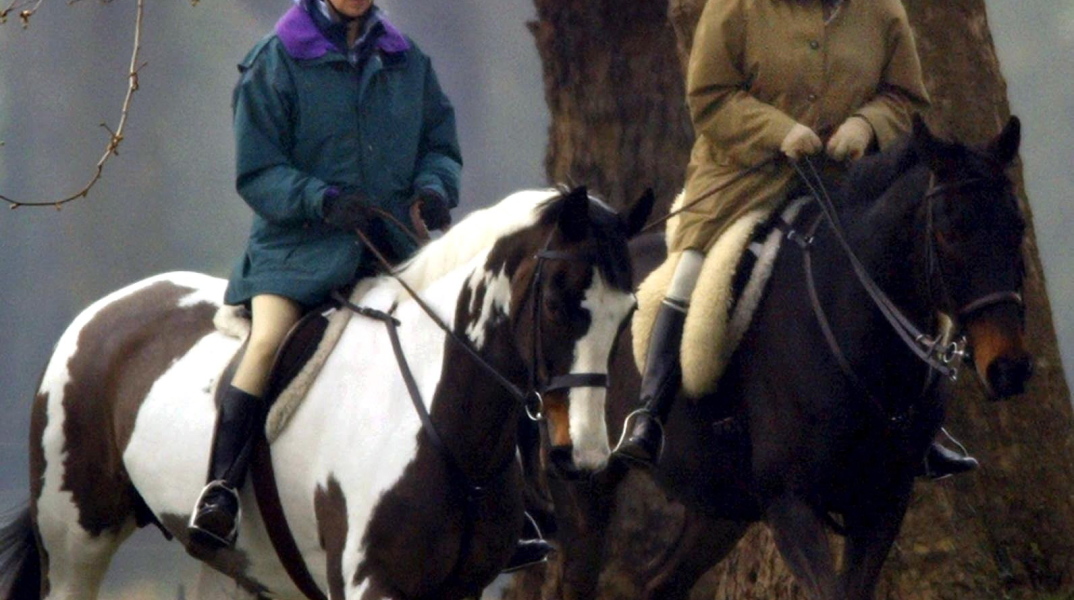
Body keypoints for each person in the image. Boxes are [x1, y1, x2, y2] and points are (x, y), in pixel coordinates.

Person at [188, 0, 549, 570]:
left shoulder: (408, 60)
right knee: (264, 345)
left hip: (390, 250)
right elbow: (257, 172)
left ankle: (522, 508)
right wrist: (321, 200)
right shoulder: (274, 61)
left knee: (482, 342)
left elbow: (440, 145)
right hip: (298, 254)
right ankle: (221, 492)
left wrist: (434, 188)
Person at [612, 0, 979, 480]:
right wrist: (778, 130)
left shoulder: (883, 11)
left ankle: (926, 429)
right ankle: (650, 414)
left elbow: (904, 96)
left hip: (848, 180)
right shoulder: (733, 8)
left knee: (906, 263)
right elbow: (709, 98)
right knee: (691, 272)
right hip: (744, 178)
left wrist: (866, 125)